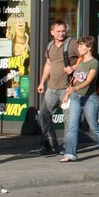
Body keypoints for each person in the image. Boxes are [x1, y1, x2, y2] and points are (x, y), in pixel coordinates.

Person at [60, 37, 99, 162]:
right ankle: (70, 154)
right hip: (76, 97)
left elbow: (88, 81)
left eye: (81, 46)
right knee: (72, 126)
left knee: (94, 127)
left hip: (89, 98)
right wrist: (68, 93)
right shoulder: (80, 60)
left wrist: (75, 89)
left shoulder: (94, 62)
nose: (78, 48)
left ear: (89, 48)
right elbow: (75, 78)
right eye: (79, 46)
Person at [35, 20, 77, 155]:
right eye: (58, 31)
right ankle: (50, 143)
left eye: (63, 31)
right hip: (52, 88)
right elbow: (48, 64)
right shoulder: (50, 46)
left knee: (68, 118)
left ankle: (67, 147)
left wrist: (73, 67)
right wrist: (42, 82)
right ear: (52, 32)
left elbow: (85, 57)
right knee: (44, 114)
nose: (61, 33)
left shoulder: (72, 44)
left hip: (67, 88)